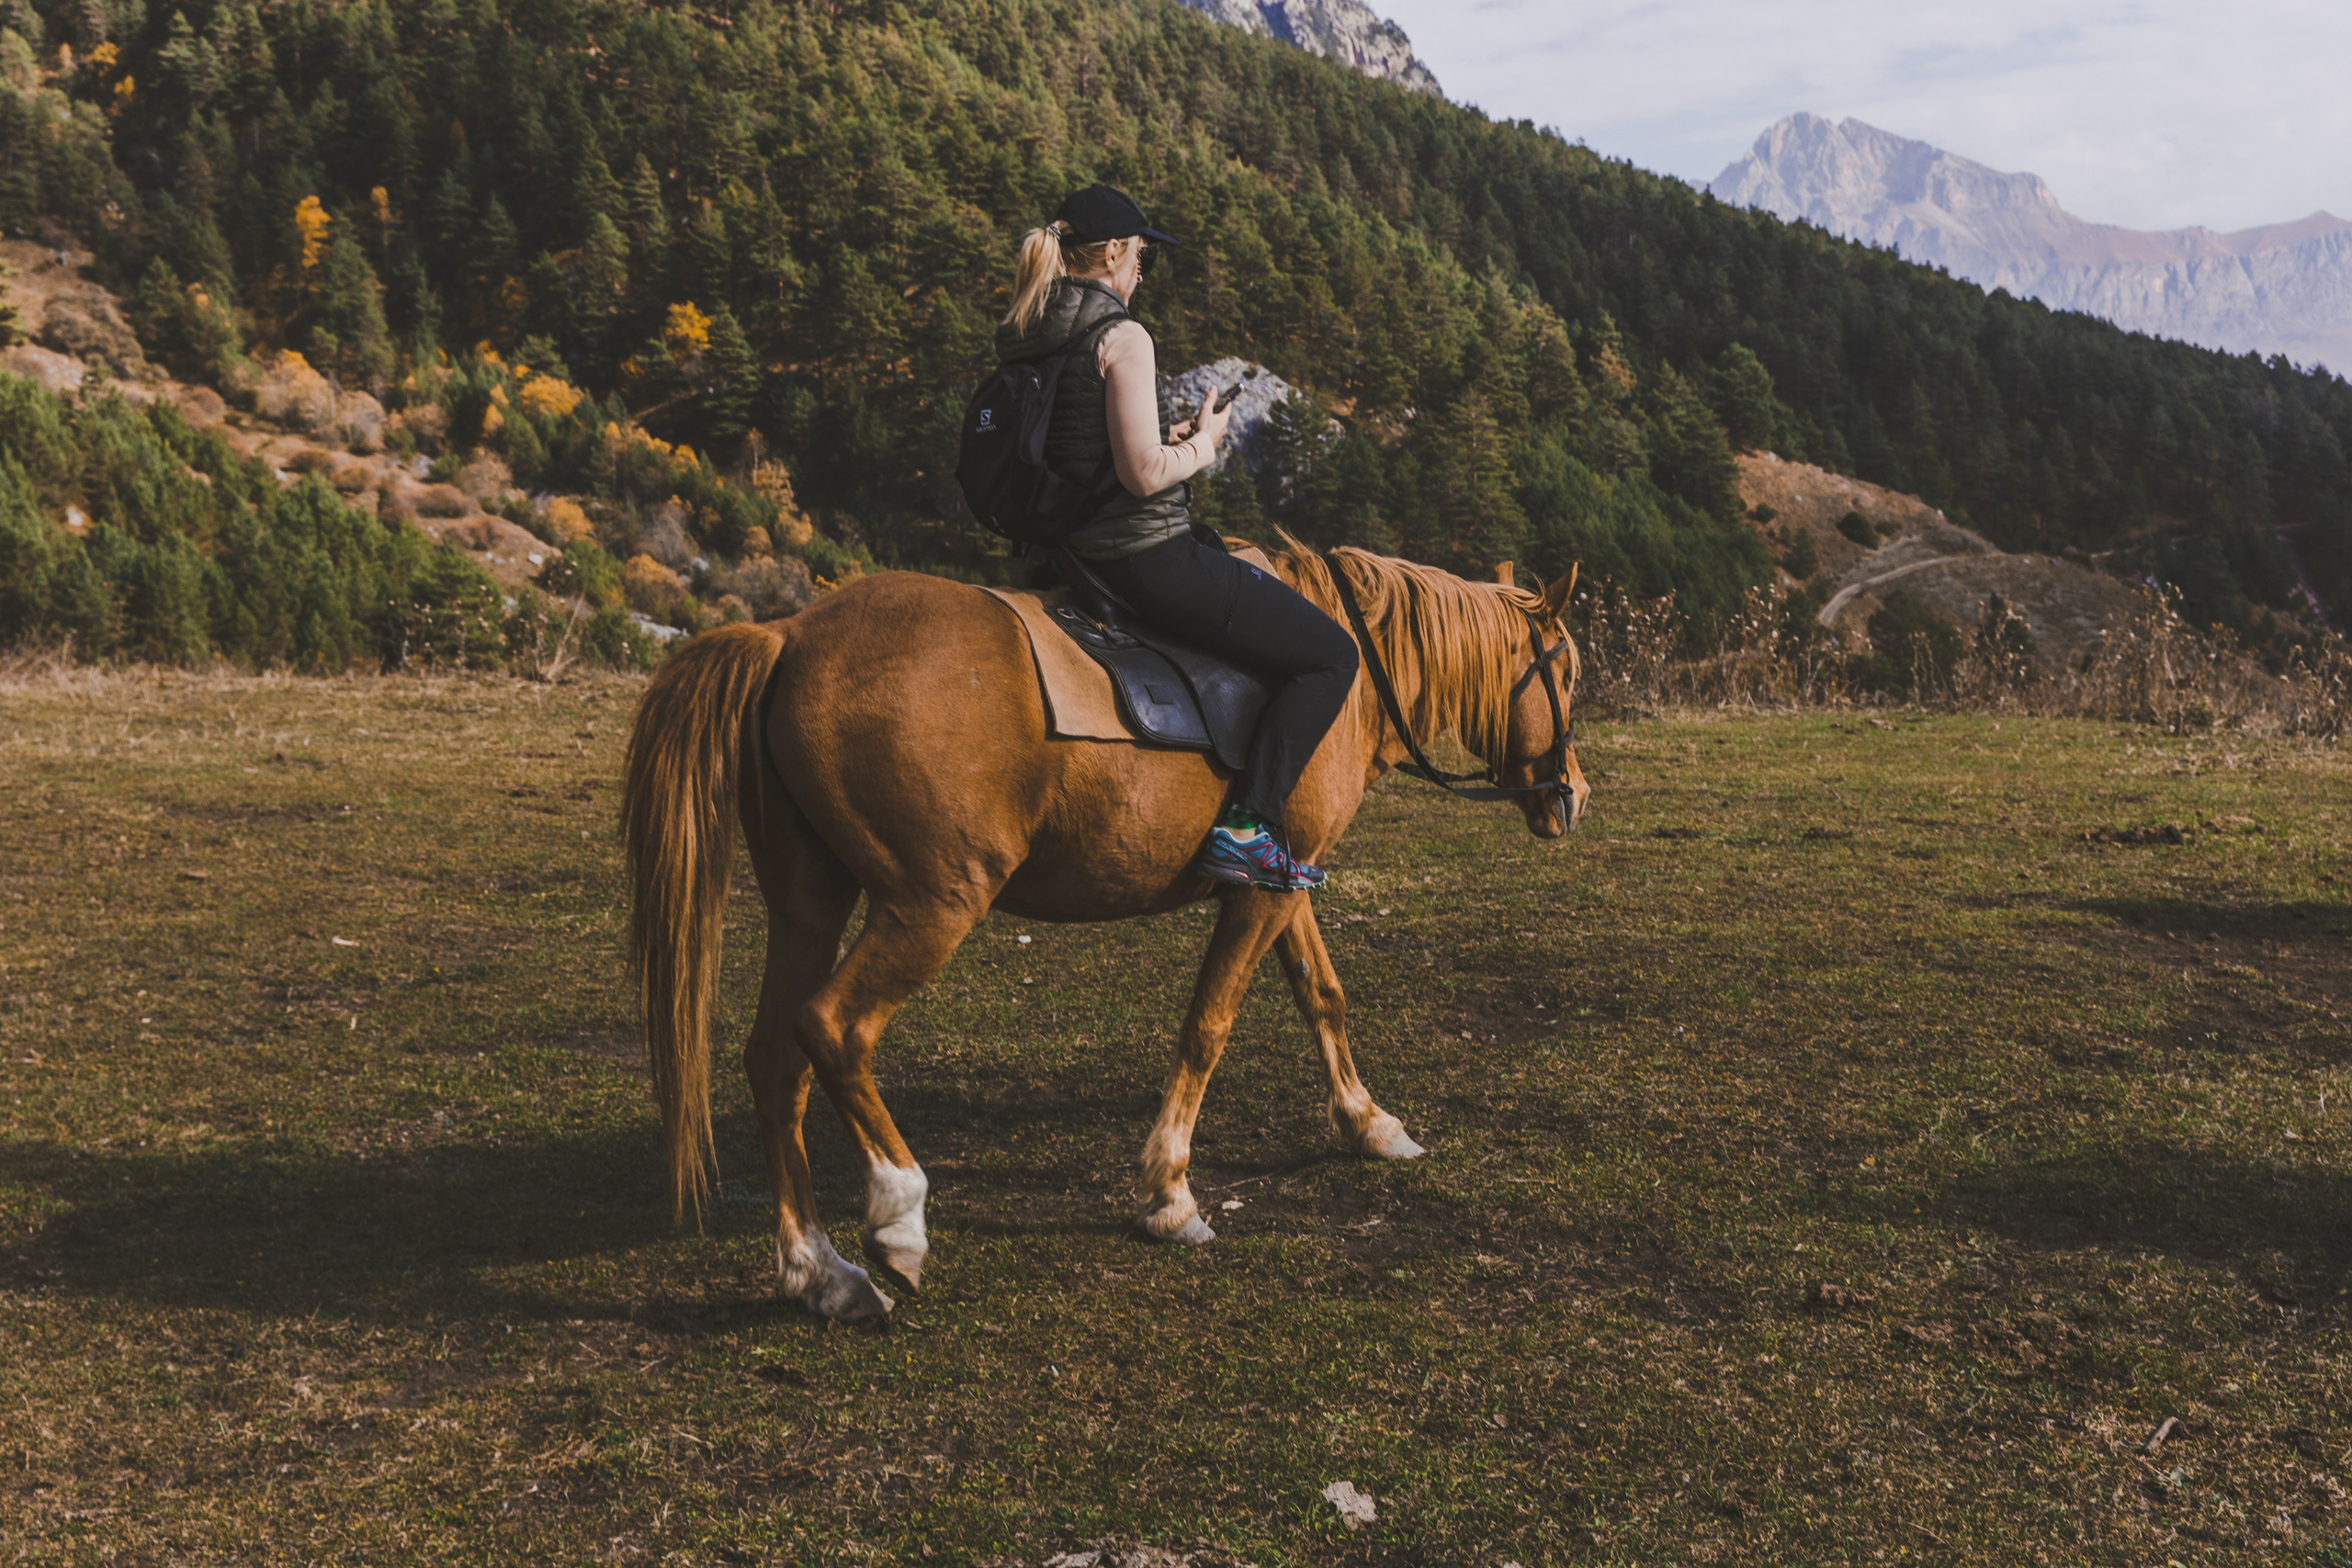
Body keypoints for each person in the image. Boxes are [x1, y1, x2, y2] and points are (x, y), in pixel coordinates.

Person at [995, 185, 1360, 892]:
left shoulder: (1030, 325)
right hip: (1142, 555)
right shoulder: (1122, 335)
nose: (1141, 271)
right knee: (1331, 656)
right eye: (1140, 256)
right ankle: (1247, 828)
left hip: (1070, 550)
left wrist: (1165, 436)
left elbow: (1079, 447)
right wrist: (1205, 444)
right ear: (1110, 252)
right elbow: (1141, 476)